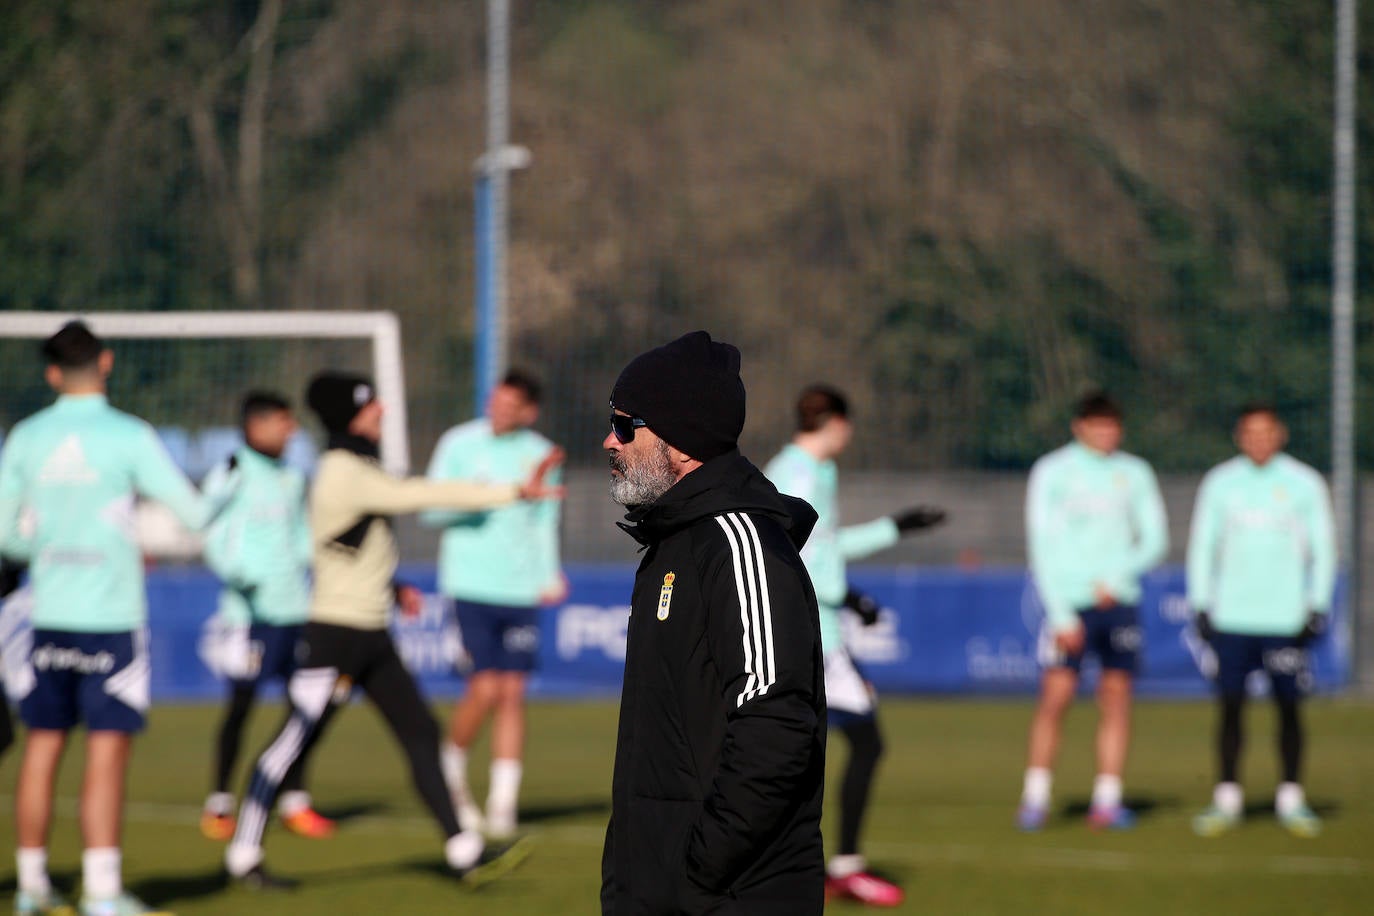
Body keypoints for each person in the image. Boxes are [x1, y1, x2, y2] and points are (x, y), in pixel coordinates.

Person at [223, 371, 562, 889]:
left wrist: (393, 584)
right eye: (370, 406)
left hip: (371, 634)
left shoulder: (355, 465)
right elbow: (417, 494)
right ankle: (243, 855)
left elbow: (350, 543)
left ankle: (465, 850)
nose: (381, 411)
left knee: (421, 733)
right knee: (292, 741)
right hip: (336, 635)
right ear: (347, 416)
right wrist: (515, 490)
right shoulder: (341, 468)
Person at [601, 331, 827, 915]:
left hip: (726, 895)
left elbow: (775, 725)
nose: (610, 440)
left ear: (678, 437)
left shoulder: (739, 544)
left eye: (627, 426)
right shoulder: (673, 540)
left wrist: (700, 868)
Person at [0, 320, 218, 916]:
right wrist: (224, 488)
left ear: (50, 373)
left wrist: (47, 546)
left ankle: (30, 886)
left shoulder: (26, 437)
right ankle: (101, 891)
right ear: (107, 362)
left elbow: (5, 537)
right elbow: (194, 514)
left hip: (47, 615)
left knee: (41, 748)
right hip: (112, 618)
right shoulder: (130, 436)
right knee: (107, 751)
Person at [764, 385, 944, 907]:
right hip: (803, 633)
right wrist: (846, 595)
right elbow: (786, 557)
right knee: (838, 746)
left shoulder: (816, 471)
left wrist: (894, 529)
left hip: (823, 628)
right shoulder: (793, 474)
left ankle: (818, 864)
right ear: (837, 423)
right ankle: (827, 865)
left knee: (824, 748)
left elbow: (823, 550)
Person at [423, 369, 564, 839]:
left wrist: (549, 573)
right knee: (483, 688)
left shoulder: (543, 453)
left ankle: (502, 805)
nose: (497, 412)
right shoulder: (459, 444)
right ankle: (450, 771)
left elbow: (545, 519)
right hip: (470, 584)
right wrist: (486, 498)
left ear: (529, 411)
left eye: (509, 406)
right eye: (493, 402)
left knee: (512, 694)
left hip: (521, 589)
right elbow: (431, 508)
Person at [1018, 391, 1168, 831]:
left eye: (1112, 426)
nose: (1105, 434)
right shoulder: (1052, 470)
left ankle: (1107, 799)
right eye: (1097, 425)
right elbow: (1041, 545)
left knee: (1117, 699)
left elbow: (1154, 540)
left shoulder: (1134, 472)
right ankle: (1036, 798)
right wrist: (1062, 612)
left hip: (1118, 603)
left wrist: (1116, 579)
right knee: (1056, 698)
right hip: (1070, 605)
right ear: (1078, 426)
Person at [1187, 403, 1336, 838]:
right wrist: (1201, 603)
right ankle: (1227, 799)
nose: (1259, 439)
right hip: (1232, 617)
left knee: (1288, 708)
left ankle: (1291, 798)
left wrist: (1317, 604)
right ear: (1239, 436)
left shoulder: (1304, 483)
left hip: (1285, 620)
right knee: (1230, 708)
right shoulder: (1221, 482)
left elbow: (1323, 548)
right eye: (1250, 432)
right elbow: (1202, 545)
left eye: (1266, 431)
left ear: (1281, 434)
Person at [199, 392, 334, 842]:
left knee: (309, 708)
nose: (290, 430)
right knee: (241, 707)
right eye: (282, 422)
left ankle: (294, 798)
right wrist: (244, 577)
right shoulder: (230, 473)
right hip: (249, 615)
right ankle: (220, 801)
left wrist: (313, 578)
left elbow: (301, 537)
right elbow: (212, 534)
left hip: (296, 610)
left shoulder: (293, 478)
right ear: (256, 426)